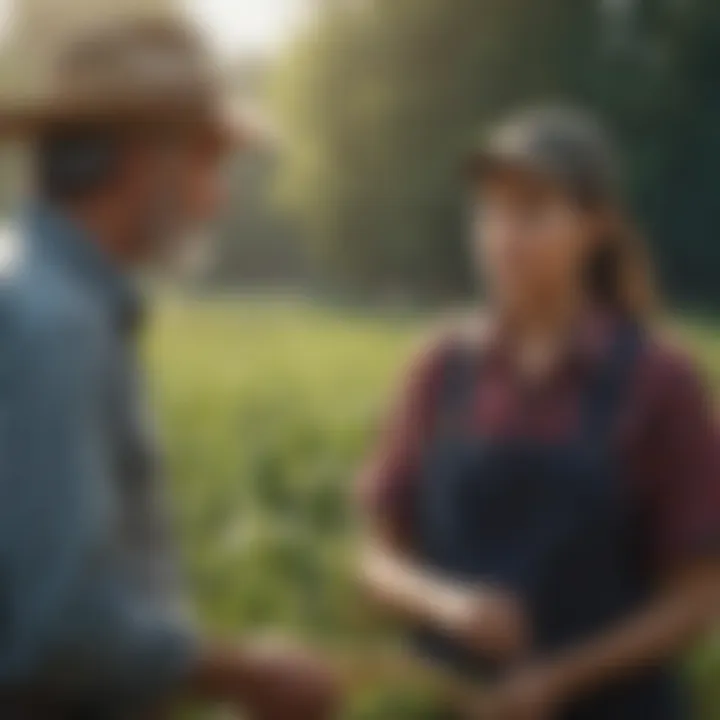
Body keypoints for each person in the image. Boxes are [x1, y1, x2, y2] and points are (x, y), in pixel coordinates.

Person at [0, 18, 338, 720]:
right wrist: (247, 673)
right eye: (206, 158)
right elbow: (62, 627)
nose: (216, 197)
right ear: (141, 158)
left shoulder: (42, 299)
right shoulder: (62, 328)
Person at [358, 106, 720, 719]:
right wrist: (449, 605)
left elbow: (699, 596)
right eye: (490, 211)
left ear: (595, 226)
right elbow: (376, 561)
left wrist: (560, 679)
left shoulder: (659, 382)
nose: (503, 235)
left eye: (531, 213)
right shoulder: (441, 368)